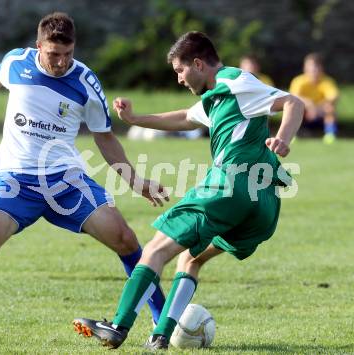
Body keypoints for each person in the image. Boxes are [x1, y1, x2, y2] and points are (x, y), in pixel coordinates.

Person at [0, 12, 168, 343]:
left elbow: (104, 137)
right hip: (16, 181)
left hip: (65, 182)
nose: (61, 62)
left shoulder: (86, 83)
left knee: (125, 238)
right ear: (38, 47)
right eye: (53, 54)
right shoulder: (17, 63)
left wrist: (135, 180)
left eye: (68, 54)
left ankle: (162, 325)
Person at [73, 31, 304, 350]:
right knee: (190, 260)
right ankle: (161, 336)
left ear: (198, 63)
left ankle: (117, 325)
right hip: (262, 204)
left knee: (154, 250)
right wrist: (136, 118)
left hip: (229, 185)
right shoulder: (218, 96)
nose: (179, 79)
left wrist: (284, 138)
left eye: (180, 71)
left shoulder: (235, 81)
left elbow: (293, 102)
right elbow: (184, 118)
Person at [289, 53, 339, 144]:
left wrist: (316, 108)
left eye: (316, 66)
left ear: (321, 68)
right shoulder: (298, 81)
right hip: (304, 112)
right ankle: (291, 135)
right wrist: (309, 105)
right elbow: (293, 97)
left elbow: (333, 97)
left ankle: (330, 135)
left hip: (320, 112)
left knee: (330, 107)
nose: (313, 69)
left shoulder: (327, 81)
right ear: (305, 68)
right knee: (292, 108)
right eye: (310, 66)